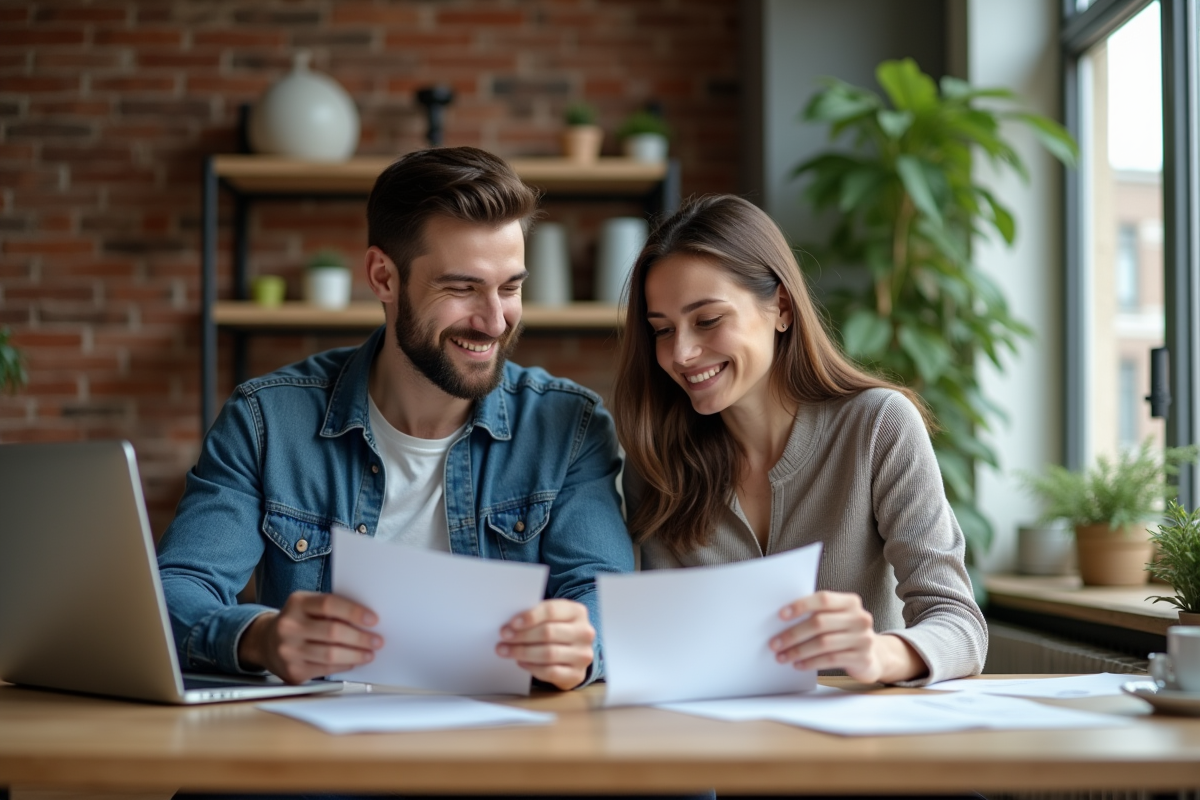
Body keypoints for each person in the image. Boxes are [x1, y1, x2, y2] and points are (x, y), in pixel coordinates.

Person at [157, 146, 634, 692]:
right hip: (322, 745)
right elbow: (177, 587)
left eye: (511, 287)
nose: (496, 321)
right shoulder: (267, 420)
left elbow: (603, 594)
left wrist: (583, 640)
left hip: (503, 745)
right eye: (462, 288)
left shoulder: (568, 426)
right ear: (384, 277)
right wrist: (259, 636)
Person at [611, 194, 986, 686]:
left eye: (707, 320)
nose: (681, 353)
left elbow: (959, 625)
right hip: (715, 744)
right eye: (662, 330)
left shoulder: (877, 426)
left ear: (781, 307)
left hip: (858, 746)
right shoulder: (658, 458)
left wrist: (878, 655)